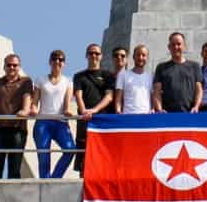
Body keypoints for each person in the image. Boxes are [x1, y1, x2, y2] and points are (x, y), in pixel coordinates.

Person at [0, 53, 35, 179]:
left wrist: (25, 110)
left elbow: (27, 100)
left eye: (15, 65)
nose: (12, 67)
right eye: (9, 65)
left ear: (19, 67)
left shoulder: (26, 82)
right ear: (4, 67)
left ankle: (12, 198)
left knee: (15, 168)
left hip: (17, 130)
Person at [71, 44, 115, 175]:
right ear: (86, 56)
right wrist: (84, 111)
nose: (93, 56)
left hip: (101, 120)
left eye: (96, 53)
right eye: (91, 53)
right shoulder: (79, 76)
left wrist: (94, 110)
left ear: (101, 56)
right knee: (83, 154)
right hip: (85, 119)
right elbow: (78, 95)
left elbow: (109, 96)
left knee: (102, 152)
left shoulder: (107, 75)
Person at [33, 50, 77, 179]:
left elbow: (67, 103)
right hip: (43, 122)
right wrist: (33, 109)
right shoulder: (40, 79)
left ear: (64, 63)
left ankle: (55, 179)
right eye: (54, 59)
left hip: (60, 123)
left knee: (70, 149)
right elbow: (35, 102)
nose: (57, 61)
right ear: (50, 62)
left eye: (61, 59)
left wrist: (68, 111)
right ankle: (44, 182)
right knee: (43, 156)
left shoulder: (68, 82)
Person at [152, 32, 202, 113]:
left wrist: (196, 106)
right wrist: (160, 109)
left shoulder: (195, 66)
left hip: (190, 114)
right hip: (167, 115)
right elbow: (157, 91)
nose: (176, 47)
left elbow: (199, 90)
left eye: (179, 44)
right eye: (173, 44)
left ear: (184, 46)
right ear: (169, 47)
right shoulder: (161, 67)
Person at [114, 45, 153, 114]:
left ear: (147, 58)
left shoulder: (151, 77)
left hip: (146, 116)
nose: (140, 58)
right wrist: (118, 111)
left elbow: (152, 96)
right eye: (138, 55)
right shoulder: (123, 75)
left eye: (143, 55)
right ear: (133, 57)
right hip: (128, 116)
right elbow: (118, 97)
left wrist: (153, 109)